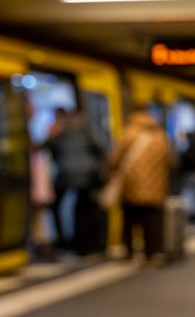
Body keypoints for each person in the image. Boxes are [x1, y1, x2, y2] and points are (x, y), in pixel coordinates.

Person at [111, 108, 172, 264]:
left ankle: (129, 253)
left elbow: (115, 159)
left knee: (129, 221)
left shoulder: (128, 134)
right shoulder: (160, 137)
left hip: (131, 187)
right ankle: (150, 255)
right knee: (150, 222)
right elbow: (171, 161)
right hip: (155, 189)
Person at [44, 108, 107, 256]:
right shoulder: (85, 130)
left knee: (56, 206)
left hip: (65, 174)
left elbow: (47, 149)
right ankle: (88, 245)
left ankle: (64, 242)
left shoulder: (59, 132)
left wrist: (51, 135)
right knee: (83, 209)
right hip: (87, 175)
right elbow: (100, 148)